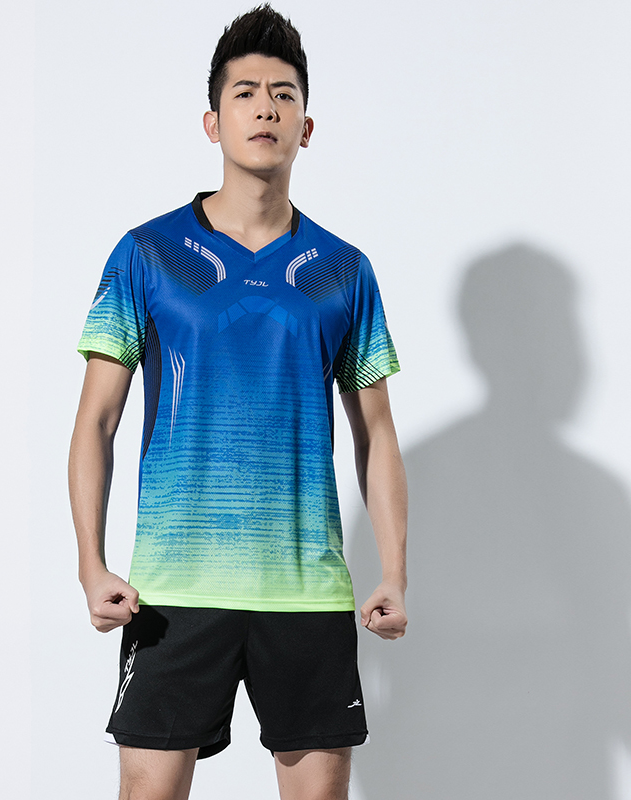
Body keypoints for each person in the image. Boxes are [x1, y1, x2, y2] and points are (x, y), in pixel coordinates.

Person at [68, 5, 408, 799]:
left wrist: (394, 571)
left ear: (306, 127)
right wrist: (90, 564)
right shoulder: (147, 254)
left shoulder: (342, 270)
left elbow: (377, 433)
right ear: (213, 123)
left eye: (284, 95)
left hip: (307, 593)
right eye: (246, 93)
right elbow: (96, 420)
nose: (266, 109)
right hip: (174, 591)